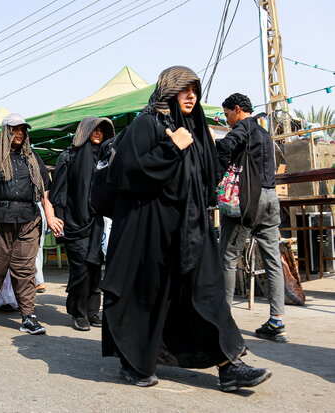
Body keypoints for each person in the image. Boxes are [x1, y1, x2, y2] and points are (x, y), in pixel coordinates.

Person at [101, 66, 272, 392]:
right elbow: (127, 174)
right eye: (184, 89)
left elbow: (205, 183)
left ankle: (229, 366)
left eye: (195, 89)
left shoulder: (189, 129)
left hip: (189, 231)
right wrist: (171, 147)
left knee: (206, 296)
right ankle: (137, 365)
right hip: (149, 233)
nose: (191, 96)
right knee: (148, 299)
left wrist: (204, 151)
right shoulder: (145, 124)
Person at [0, 113, 63, 335]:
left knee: (25, 269)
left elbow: (45, 193)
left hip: (28, 220)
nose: (19, 133)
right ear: (4, 131)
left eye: (22, 130)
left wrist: (50, 217)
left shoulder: (32, 158)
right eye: (14, 129)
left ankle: (28, 316)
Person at [217, 93, 288, 343]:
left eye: (227, 115)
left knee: (227, 257)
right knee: (272, 260)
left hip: (246, 200)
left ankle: (223, 319)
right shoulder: (265, 133)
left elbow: (226, 146)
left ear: (237, 109)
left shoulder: (243, 127)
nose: (227, 121)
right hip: (271, 198)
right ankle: (277, 320)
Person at [50, 116, 115, 331]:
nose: (98, 134)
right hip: (75, 221)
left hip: (99, 221)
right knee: (81, 268)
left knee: (96, 265)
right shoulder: (69, 156)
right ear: (85, 131)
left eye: (102, 131)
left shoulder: (107, 157)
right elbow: (59, 190)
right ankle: (78, 312)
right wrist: (59, 217)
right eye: (94, 130)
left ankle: (92, 311)